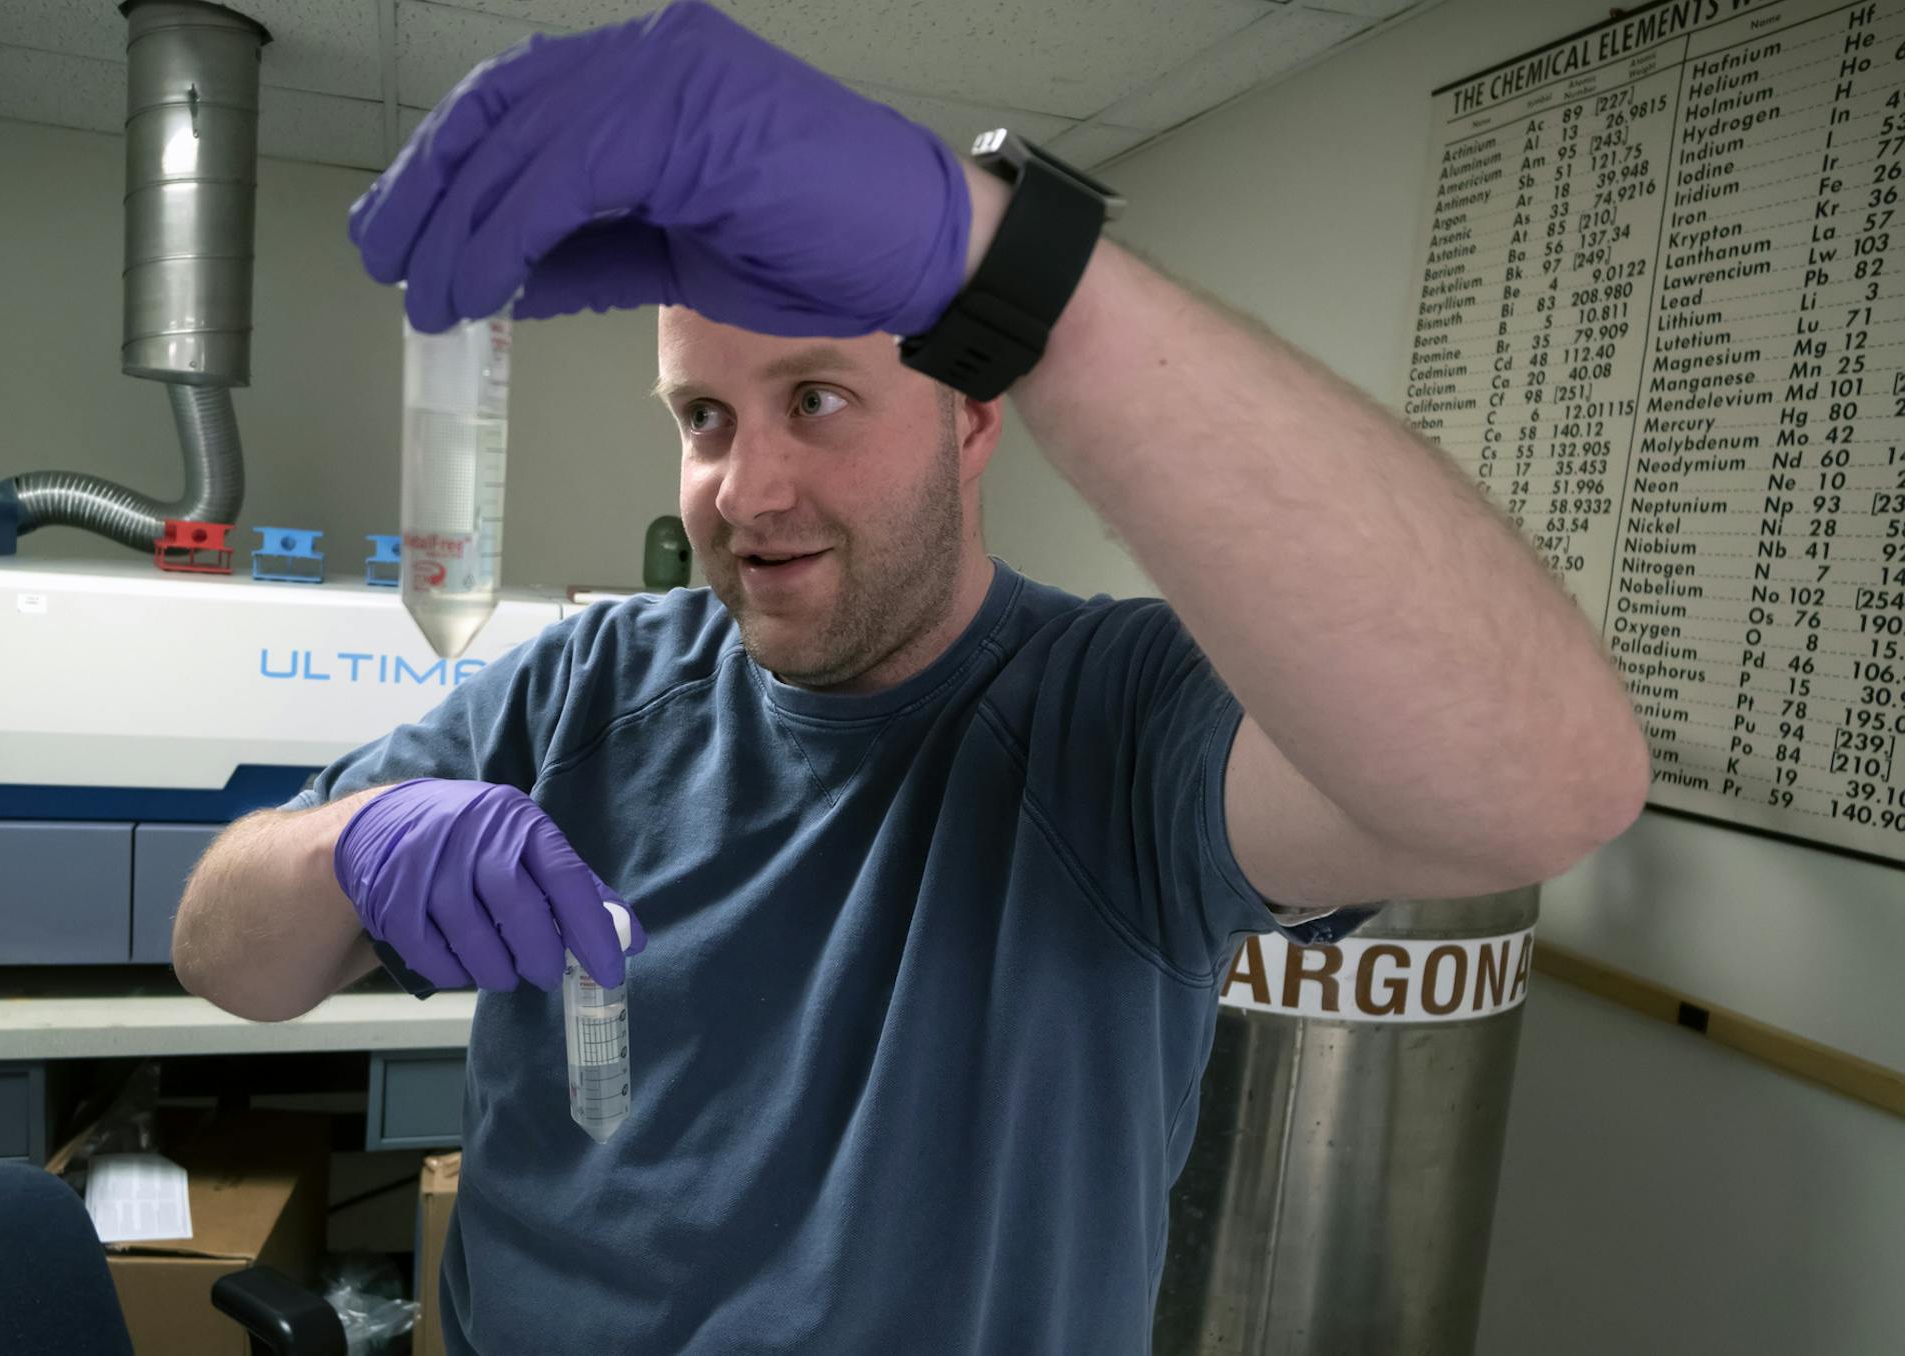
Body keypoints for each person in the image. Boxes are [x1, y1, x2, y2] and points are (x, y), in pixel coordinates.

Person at [172, 4, 1650, 1351]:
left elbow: (1539, 792)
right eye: (702, 416)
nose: (745, 488)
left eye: (817, 399)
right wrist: (345, 850)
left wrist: (1011, 262)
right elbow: (226, 960)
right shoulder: (583, 689)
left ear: (973, 421)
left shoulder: (1115, 722)